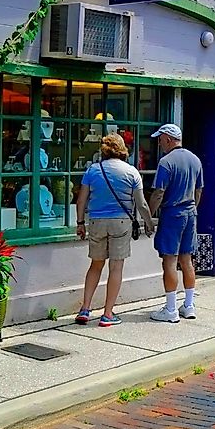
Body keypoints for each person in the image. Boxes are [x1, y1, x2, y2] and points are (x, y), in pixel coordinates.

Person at [74, 134, 155, 328]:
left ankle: (85, 308)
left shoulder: (93, 170)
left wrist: (80, 223)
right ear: (122, 149)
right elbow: (141, 203)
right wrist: (149, 222)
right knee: (116, 268)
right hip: (120, 222)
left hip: (97, 221)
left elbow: (81, 200)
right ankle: (107, 314)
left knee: (95, 265)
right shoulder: (132, 172)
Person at [147, 123, 204, 323]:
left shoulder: (166, 162)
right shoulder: (195, 160)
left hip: (172, 213)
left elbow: (158, 192)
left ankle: (170, 308)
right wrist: (193, 208)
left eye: (161, 138)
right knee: (186, 259)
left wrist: (149, 216)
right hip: (190, 212)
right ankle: (189, 305)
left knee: (169, 260)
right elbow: (198, 190)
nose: (159, 142)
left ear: (169, 139)